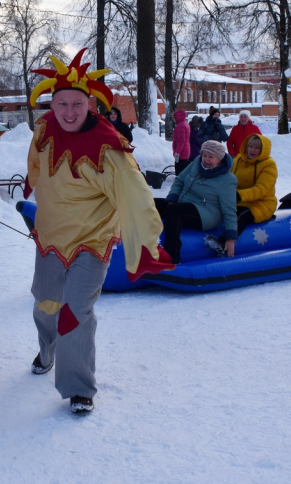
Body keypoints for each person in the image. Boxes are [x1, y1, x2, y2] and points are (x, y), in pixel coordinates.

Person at [25, 49, 174, 415]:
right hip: (49, 237)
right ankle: (48, 349)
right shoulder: (44, 130)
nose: (70, 112)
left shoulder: (109, 149)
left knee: (74, 311)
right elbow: (35, 164)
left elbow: (136, 196)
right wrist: (32, 184)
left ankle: (79, 388)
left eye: (77, 103)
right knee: (45, 303)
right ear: (52, 104)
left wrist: (146, 243)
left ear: (90, 104)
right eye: (62, 104)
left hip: (90, 242)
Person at [154, 140, 238, 263]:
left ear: (219, 158)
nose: (206, 160)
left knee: (173, 211)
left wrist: (230, 238)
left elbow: (229, 209)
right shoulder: (197, 163)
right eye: (205, 155)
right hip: (185, 203)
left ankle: (172, 257)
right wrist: (172, 198)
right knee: (151, 203)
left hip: (207, 213)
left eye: (211, 157)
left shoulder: (227, 179)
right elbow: (180, 180)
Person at [205, 133, 277, 257]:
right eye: (250, 147)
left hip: (261, 203)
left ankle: (222, 243)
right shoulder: (239, 159)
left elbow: (261, 189)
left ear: (262, 150)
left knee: (239, 214)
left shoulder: (269, 165)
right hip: (238, 199)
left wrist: (238, 195)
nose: (252, 150)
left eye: (257, 148)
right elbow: (229, 178)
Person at [172, 109, 191, 175]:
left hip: (181, 153)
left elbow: (181, 141)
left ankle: (180, 185)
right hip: (185, 151)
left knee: (179, 172)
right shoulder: (185, 124)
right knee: (183, 170)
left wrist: (177, 153)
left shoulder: (180, 126)